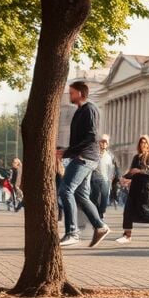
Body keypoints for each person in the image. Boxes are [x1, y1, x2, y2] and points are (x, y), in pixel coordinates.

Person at [60, 81, 110, 247]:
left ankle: (72, 232)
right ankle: (100, 226)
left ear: (80, 93)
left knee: (66, 189)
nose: (70, 95)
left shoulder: (89, 109)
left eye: (72, 92)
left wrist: (68, 152)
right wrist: (66, 151)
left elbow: (91, 136)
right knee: (80, 195)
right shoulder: (79, 111)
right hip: (82, 156)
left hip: (85, 158)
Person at [114, 136, 149, 244]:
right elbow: (132, 172)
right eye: (141, 142)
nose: (143, 144)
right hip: (134, 188)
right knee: (128, 212)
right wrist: (124, 178)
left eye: (145, 142)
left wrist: (140, 171)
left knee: (143, 213)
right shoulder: (137, 157)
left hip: (146, 189)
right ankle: (127, 235)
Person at [91, 134, 116, 221]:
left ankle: (101, 212)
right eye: (102, 142)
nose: (103, 144)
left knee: (105, 197)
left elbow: (110, 169)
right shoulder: (95, 154)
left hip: (105, 180)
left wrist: (110, 181)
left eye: (105, 143)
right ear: (99, 143)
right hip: (94, 179)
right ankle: (98, 213)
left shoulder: (109, 156)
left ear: (107, 144)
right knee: (94, 198)